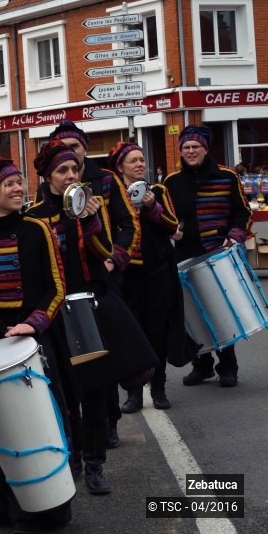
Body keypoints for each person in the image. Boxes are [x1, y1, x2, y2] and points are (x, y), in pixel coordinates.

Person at [26, 141, 156, 496]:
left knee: (96, 390)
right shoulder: (34, 217)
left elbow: (103, 256)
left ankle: (95, 462)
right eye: (62, 171)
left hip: (90, 305)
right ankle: (74, 458)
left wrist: (91, 222)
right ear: (48, 177)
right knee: (65, 392)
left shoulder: (88, 209)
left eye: (74, 170)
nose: (71, 175)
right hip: (54, 312)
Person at [0, 157, 71, 533]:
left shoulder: (37, 230)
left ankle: (43, 508)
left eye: (20, 182)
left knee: (41, 421)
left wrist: (32, 323)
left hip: (33, 338)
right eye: (10, 185)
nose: (19, 189)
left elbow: (57, 288)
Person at [47, 120, 139, 448]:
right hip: (69, 286)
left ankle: (109, 422)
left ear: (85, 148)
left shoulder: (107, 181)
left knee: (106, 355)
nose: (71, 153)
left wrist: (116, 257)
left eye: (76, 145)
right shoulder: (50, 195)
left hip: (104, 277)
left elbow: (129, 224)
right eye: (63, 147)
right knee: (77, 360)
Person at [163, 125, 252, 388]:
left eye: (195, 147)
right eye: (186, 147)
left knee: (220, 309)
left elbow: (243, 213)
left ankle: (228, 367)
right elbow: (167, 217)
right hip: (185, 254)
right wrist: (172, 229)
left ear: (205, 149)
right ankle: (201, 366)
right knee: (192, 314)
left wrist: (234, 235)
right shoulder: (171, 182)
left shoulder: (227, 176)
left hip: (218, 251)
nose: (190, 151)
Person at [108, 142, 191, 412]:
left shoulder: (158, 191)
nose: (140, 164)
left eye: (141, 159)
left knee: (157, 332)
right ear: (120, 167)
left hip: (156, 274)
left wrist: (153, 207)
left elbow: (172, 226)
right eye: (133, 161)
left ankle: (158, 388)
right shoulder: (112, 194)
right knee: (131, 334)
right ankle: (133, 393)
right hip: (127, 274)